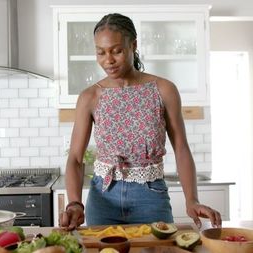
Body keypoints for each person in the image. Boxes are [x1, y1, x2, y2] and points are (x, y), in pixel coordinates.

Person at [59, 13, 222, 230]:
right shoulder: (90, 97)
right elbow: (75, 159)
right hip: (103, 199)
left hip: (151, 198)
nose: (108, 60)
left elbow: (181, 148)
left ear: (133, 45)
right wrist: (74, 203)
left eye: (116, 50)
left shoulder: (163, 90)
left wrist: (191, 199)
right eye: (101, 52)